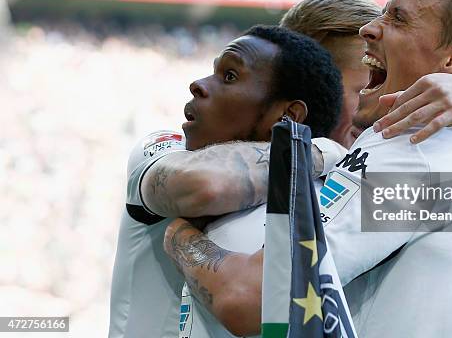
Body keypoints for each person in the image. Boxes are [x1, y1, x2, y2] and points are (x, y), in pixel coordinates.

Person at [162, 0, 452, 337]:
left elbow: (253, 299)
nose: (370, 29)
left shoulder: (407, 151)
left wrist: (181, 235)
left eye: (398, 18)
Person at [108, 25, 345, 338]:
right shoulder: (166, 149)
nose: (198, 85)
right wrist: (312, 150)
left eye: (230, 76)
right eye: (214, 72)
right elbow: (203, 186)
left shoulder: (329, 198)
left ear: (287, 117)